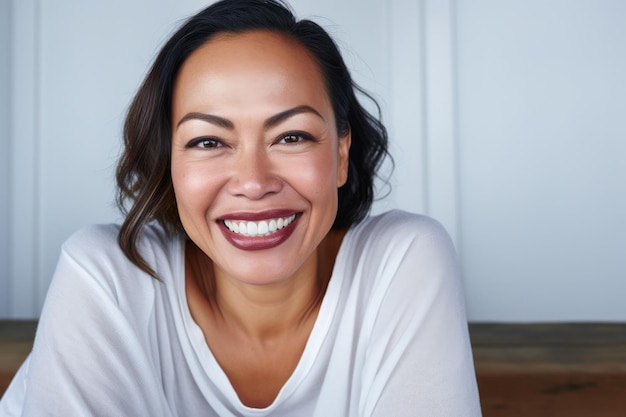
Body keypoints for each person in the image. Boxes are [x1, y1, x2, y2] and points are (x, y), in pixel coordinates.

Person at [0, 0, 481, 415]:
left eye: (291, 136)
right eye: (209, 140)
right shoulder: (105, 276)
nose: (254, 182)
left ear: (339, 155)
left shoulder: (403, 259)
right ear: (170, 164)